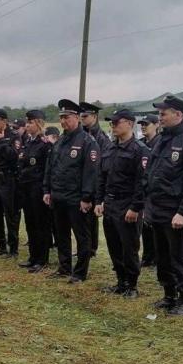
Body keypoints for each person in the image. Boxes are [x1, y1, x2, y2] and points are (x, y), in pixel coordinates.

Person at [143, 95, 183, 316]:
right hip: (157, 208)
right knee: (162, 255)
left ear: (178, 115)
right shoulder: (161, 140)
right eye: (159, 113)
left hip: (175, 211)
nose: (160, 117)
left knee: (180, 255)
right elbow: (151, 173)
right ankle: (169, 295)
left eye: (163, 113)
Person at [43, 99, 101, 284]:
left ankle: (80, 272)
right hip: (59, 196)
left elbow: (91, 173)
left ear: (76, 118)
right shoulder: (60, 141)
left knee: (82, 237)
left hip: (76, 199)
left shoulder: (87, 141)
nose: (63, 122)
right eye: (61, 118)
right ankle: (64, 266)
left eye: (66, 117)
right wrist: (47, 189)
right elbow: (50, 167)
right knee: (61, 235)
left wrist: (86, 197)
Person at [95, 109, 150, 298]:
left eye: (116, 123)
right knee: (114, 245)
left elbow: (142, 182)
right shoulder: (110, 149)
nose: (113, 126)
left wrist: (135, 207)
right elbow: (102, 178)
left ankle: (132, 285)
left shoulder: (140, 150)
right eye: (111, 123)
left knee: (129, 247)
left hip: (128, 205)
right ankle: (120, 281)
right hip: (110, 203)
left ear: (129, 123)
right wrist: (99, 201)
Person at [17, 110, 52, 272]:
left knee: (41, 225)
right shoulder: (27, 142)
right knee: (30, 223)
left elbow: (47, 170)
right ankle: (33, 256)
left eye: (30, 122)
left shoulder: (45, 144)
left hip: (38, 189)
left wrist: (46, 190)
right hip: (26, 188)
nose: (27, 125)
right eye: (27, 122)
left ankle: (42, 259)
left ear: (38, 123)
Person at [0, 108, 21, 257]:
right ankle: (0, 245)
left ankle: (13, 248)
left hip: (8, 179)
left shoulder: (14, 137)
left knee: (11, 215)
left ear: (4, 121)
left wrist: (1, 141)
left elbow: (14, 157)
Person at [79, 102, 110, 258]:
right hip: (82, 182)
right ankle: (85, 247)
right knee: (82, 220)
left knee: (91, 219)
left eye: (85, 116)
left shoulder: (101, 138)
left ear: (95, 117)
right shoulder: (82, 135)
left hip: (95, 182)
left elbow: (102, 165)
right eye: (81, 116)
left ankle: (91, 249)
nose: (82, 119)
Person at [137, 113, 160, 268]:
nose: (144, 127)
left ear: (156, 125)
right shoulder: (140, 144)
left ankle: (157, 258)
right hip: (142, 189)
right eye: (142, 124)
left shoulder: (160, 143)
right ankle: (147, 257)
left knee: (155, 227)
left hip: (155, 191)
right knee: (145, 226)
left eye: (147, 124)